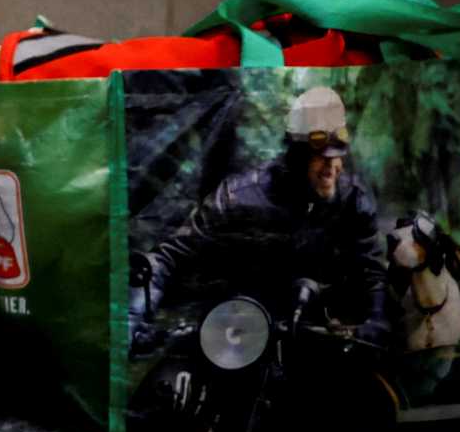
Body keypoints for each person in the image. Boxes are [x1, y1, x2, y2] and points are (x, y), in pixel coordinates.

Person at [138, 85, 393, 346]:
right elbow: (169, 257)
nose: (332, 166)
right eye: (320, 156)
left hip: (317, 336)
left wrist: (376, 319)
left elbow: (371, 271)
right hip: (237, 333)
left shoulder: (353, 201)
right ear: (296, 155)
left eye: (337, 155)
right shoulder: (237, 197)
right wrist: (133, 315)